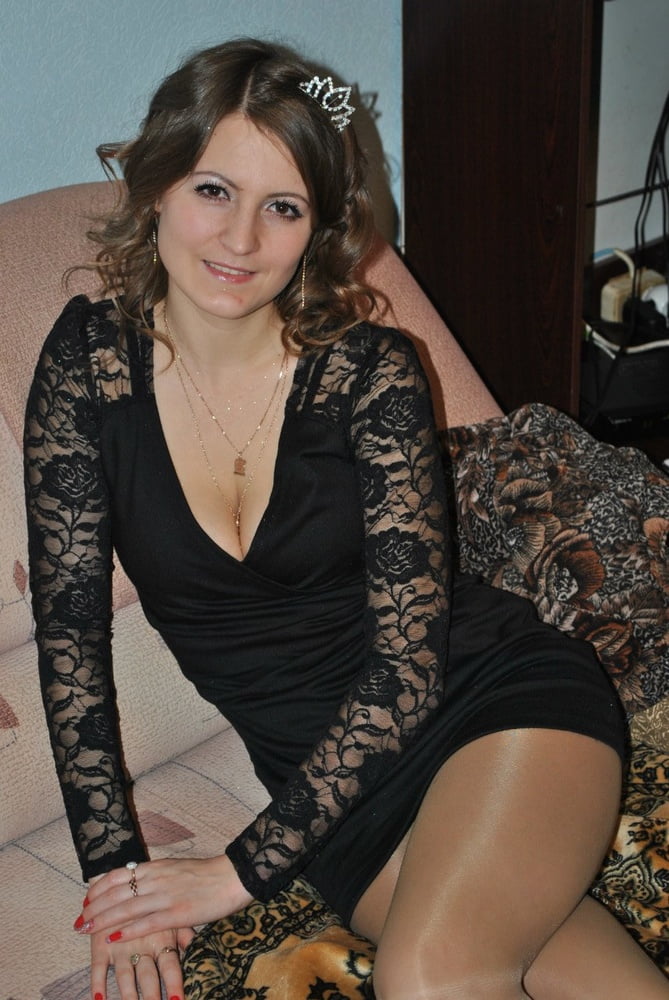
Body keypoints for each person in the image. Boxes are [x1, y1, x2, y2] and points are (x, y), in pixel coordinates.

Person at [23, 37, 669, 1000]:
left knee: (430, 977)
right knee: (549, 967)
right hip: (331, 800)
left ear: (318, 227)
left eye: (282, 206)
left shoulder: (370, 374)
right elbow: (71, 645)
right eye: (213, 190)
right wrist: (118, 879)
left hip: (492, 708)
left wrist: (234, 873)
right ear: (155, 186)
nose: (241, 240)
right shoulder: (86, 369)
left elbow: (409, 670)